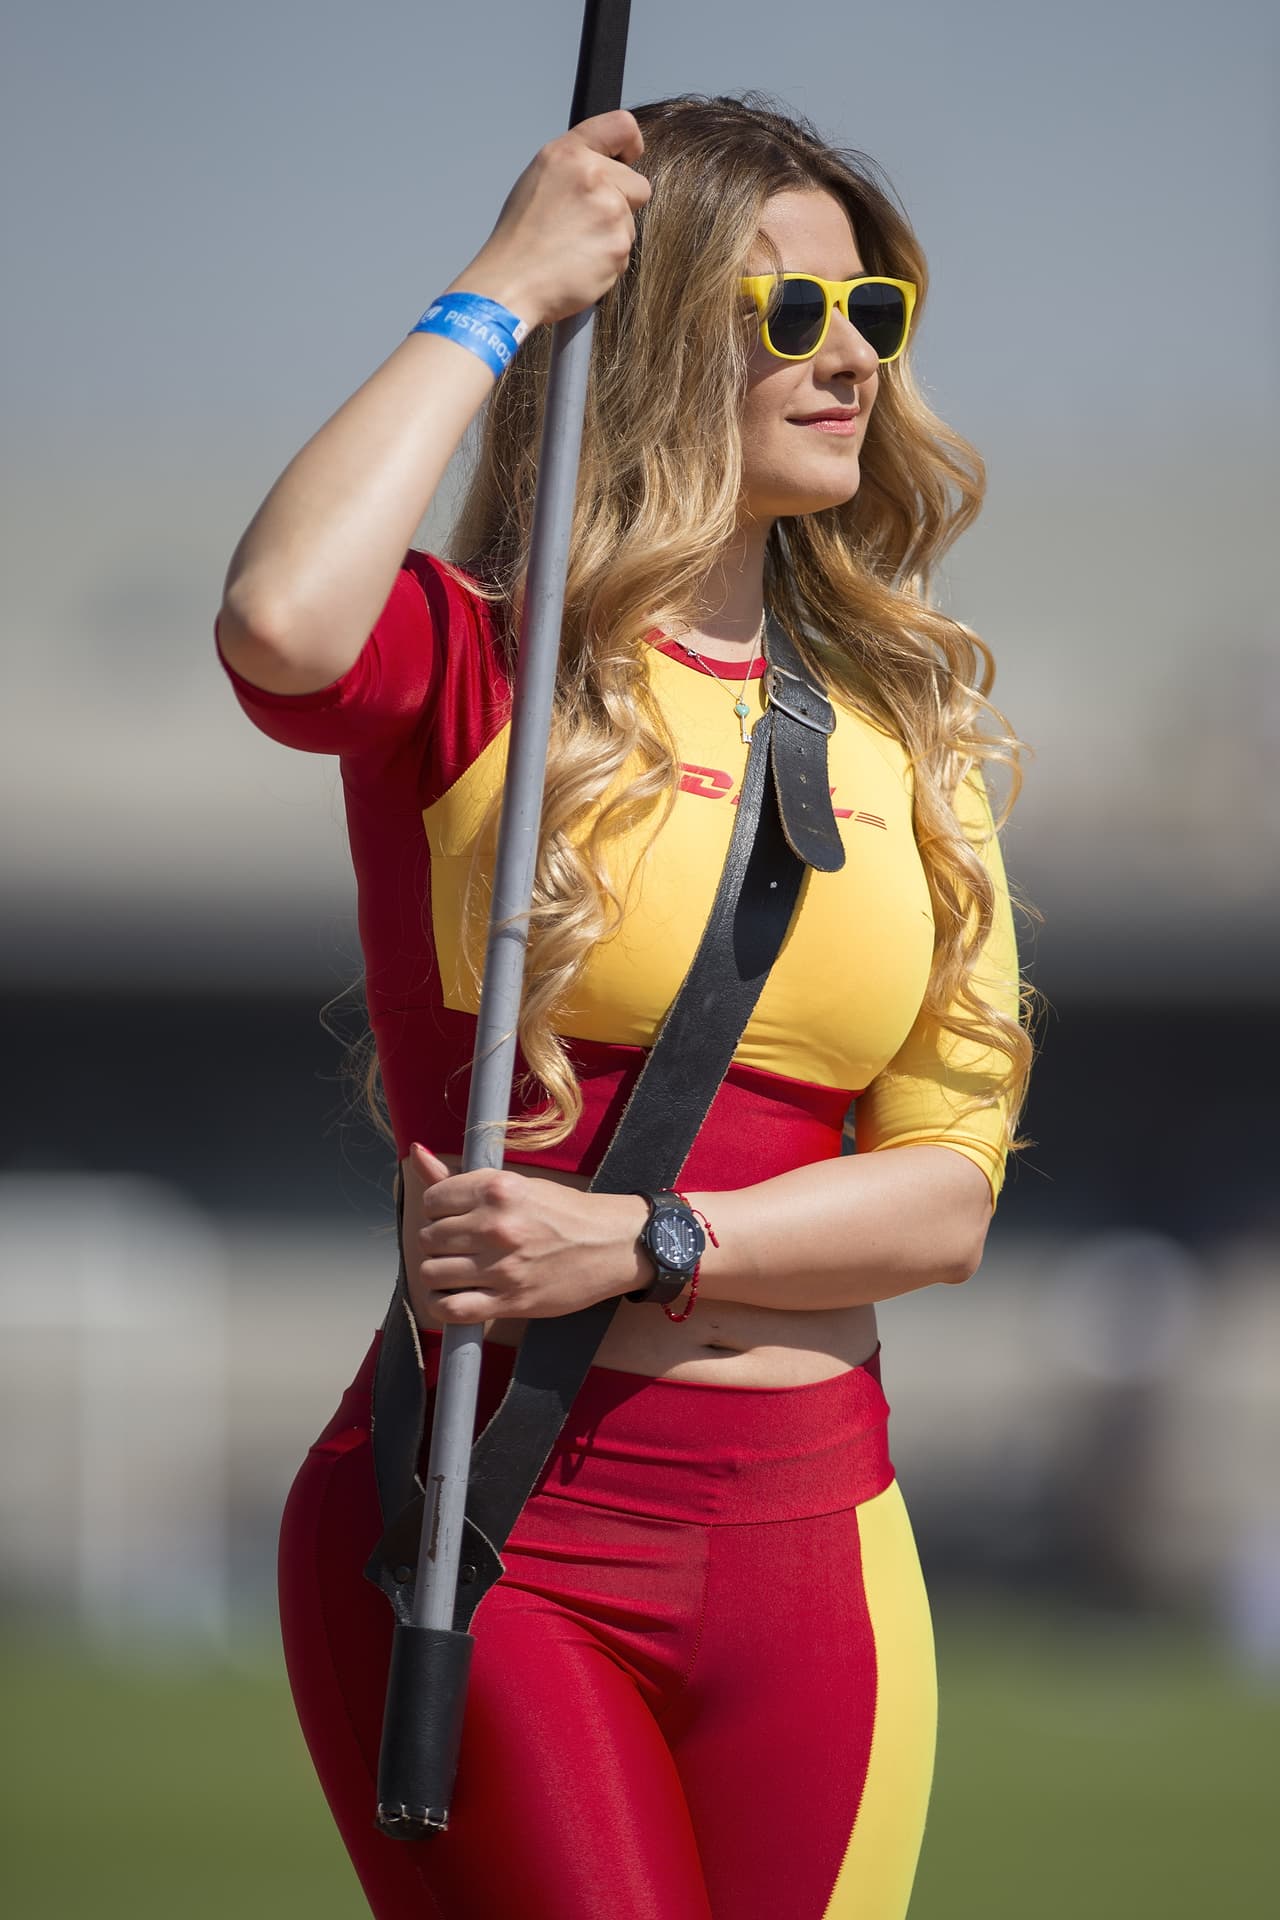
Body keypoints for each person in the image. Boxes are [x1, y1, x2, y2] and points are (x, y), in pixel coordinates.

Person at [216, 91, 1036, 1920]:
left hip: (821, 1555)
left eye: (874, 315)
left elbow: (949, 1197)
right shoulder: (480, 676)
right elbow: (279, 619)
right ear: (661, 334)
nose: (851, 364)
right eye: (791, 314)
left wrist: (647, 1238)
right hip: (483, 1533)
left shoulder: (920, 741)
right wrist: (501, 288)